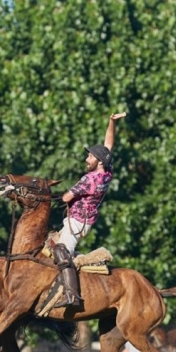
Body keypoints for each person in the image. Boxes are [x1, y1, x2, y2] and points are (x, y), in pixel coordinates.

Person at [53, 112, 125, 308]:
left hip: (76, 222)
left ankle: (72, 295)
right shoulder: (107, 173)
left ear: (98, 161)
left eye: (90, 156)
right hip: (85, 221)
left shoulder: (90, 179)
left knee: (62, 252)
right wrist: (111, 122)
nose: (87, 159)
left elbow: (66, 197)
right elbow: (108, 146)